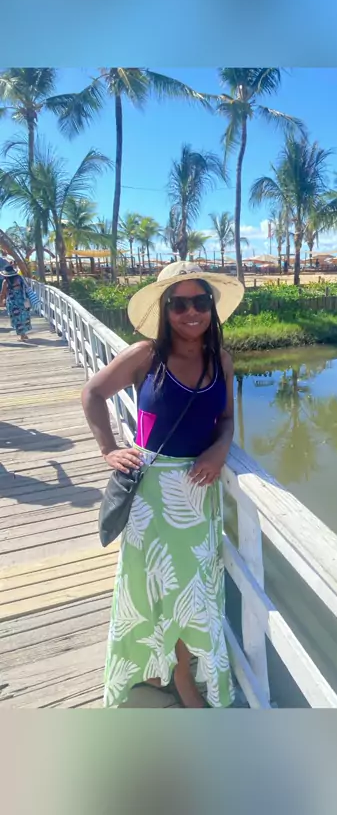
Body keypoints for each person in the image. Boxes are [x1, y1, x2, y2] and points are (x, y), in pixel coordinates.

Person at [82, 261, 244, 709]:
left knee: (192, 592)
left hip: (197, 494)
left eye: (200, 302)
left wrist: (219, 450)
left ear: (211, 307)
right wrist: (109, 449)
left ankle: (181, 674)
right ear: (165, 309)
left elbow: (226, 419)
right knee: (151, 585)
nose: (191, 312)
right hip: (151, 496)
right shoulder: (145, 355)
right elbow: (93, 393)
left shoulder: (221, 360)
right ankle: (161, 670)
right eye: (179, 304)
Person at [0, 264, 32, 341]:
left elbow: (3, 293)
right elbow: (26, 287)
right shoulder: (19, 278)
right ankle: (24, 334)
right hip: (22, 299)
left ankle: (22, 335)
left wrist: (1, 301)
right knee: (24, 316)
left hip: (12, 302)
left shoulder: (5, 281)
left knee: (17, 318)